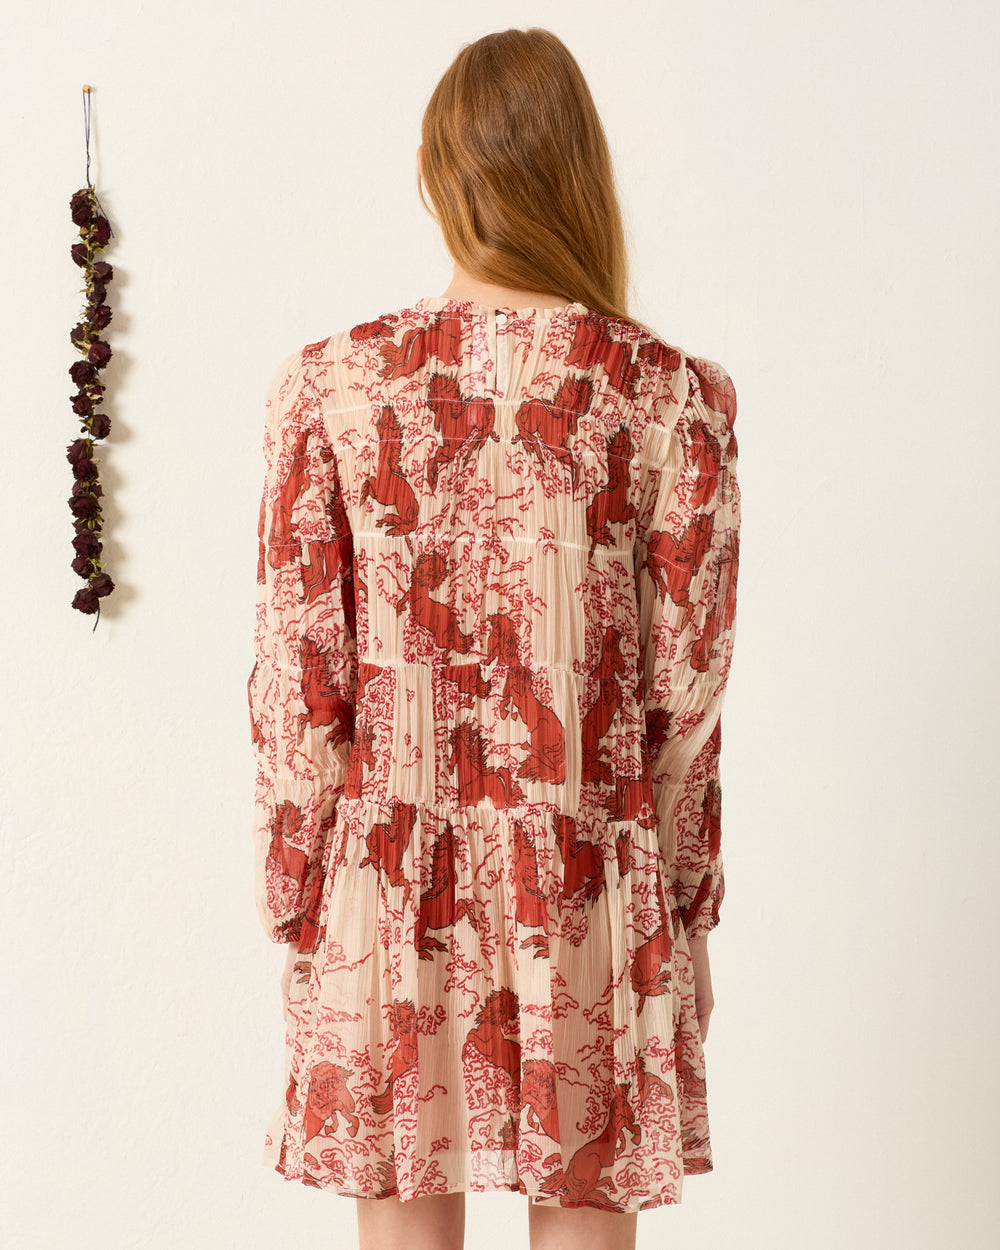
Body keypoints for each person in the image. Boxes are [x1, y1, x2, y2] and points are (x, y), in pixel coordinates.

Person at [248, 26, 740, 1250]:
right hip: (587, 869)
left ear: (434, 172)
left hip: (388, 868)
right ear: (579, 171)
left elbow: (302, 681)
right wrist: (680, 908)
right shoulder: (666, 394)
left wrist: (302, 894)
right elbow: (686, 700)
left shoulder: (332, 386)